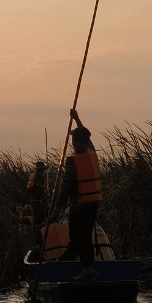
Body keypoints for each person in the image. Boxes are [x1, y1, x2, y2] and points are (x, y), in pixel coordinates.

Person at [56, 109, 103, 282]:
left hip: (79, 205)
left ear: (76, 141)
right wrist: (77, 119)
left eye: (74, 138)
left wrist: (59, 205)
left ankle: (87, 268)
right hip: (93, 204)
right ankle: (89, 269)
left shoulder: (73, 160)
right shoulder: (92, 153)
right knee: (86, 237)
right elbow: (86, 136)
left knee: (76, 237)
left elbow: (66, 185)